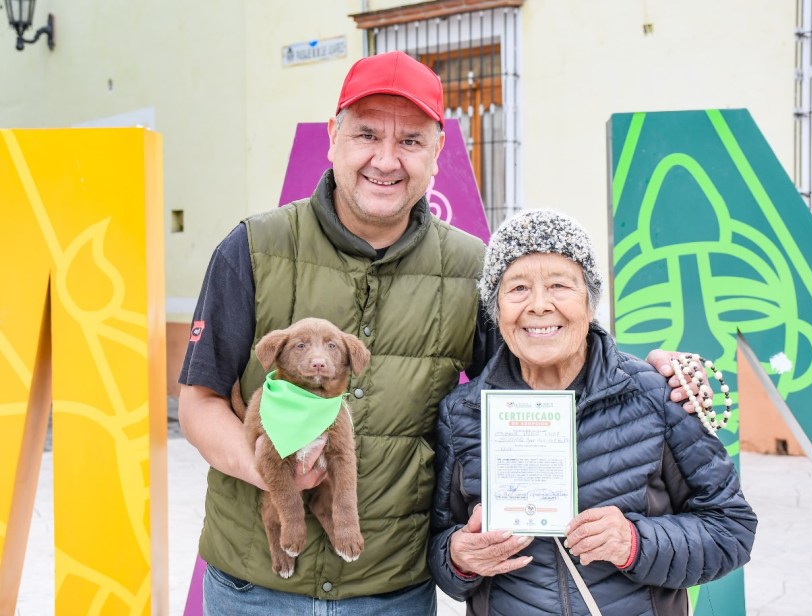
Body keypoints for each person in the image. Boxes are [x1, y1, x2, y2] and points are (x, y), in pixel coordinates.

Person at [177, 50, 712, 615]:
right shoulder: (253, 249)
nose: (386, 159)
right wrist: (277, 473)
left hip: (392, 590)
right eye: (366, 135)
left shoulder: (472, 269)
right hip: (253, 586)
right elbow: (199, 401)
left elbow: (543, 371)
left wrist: (653, 371)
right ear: (333, 137)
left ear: (437, 153)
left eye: (410, 140)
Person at [428, 210, 757, 615]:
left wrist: (634, 543)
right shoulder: (463, 414)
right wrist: (459, 559)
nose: (538, 305)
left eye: (560, 285)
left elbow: (732, 530)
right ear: (496, 308)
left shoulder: (657, 393)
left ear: (590, 300)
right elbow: (440, 551)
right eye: (517, 289)